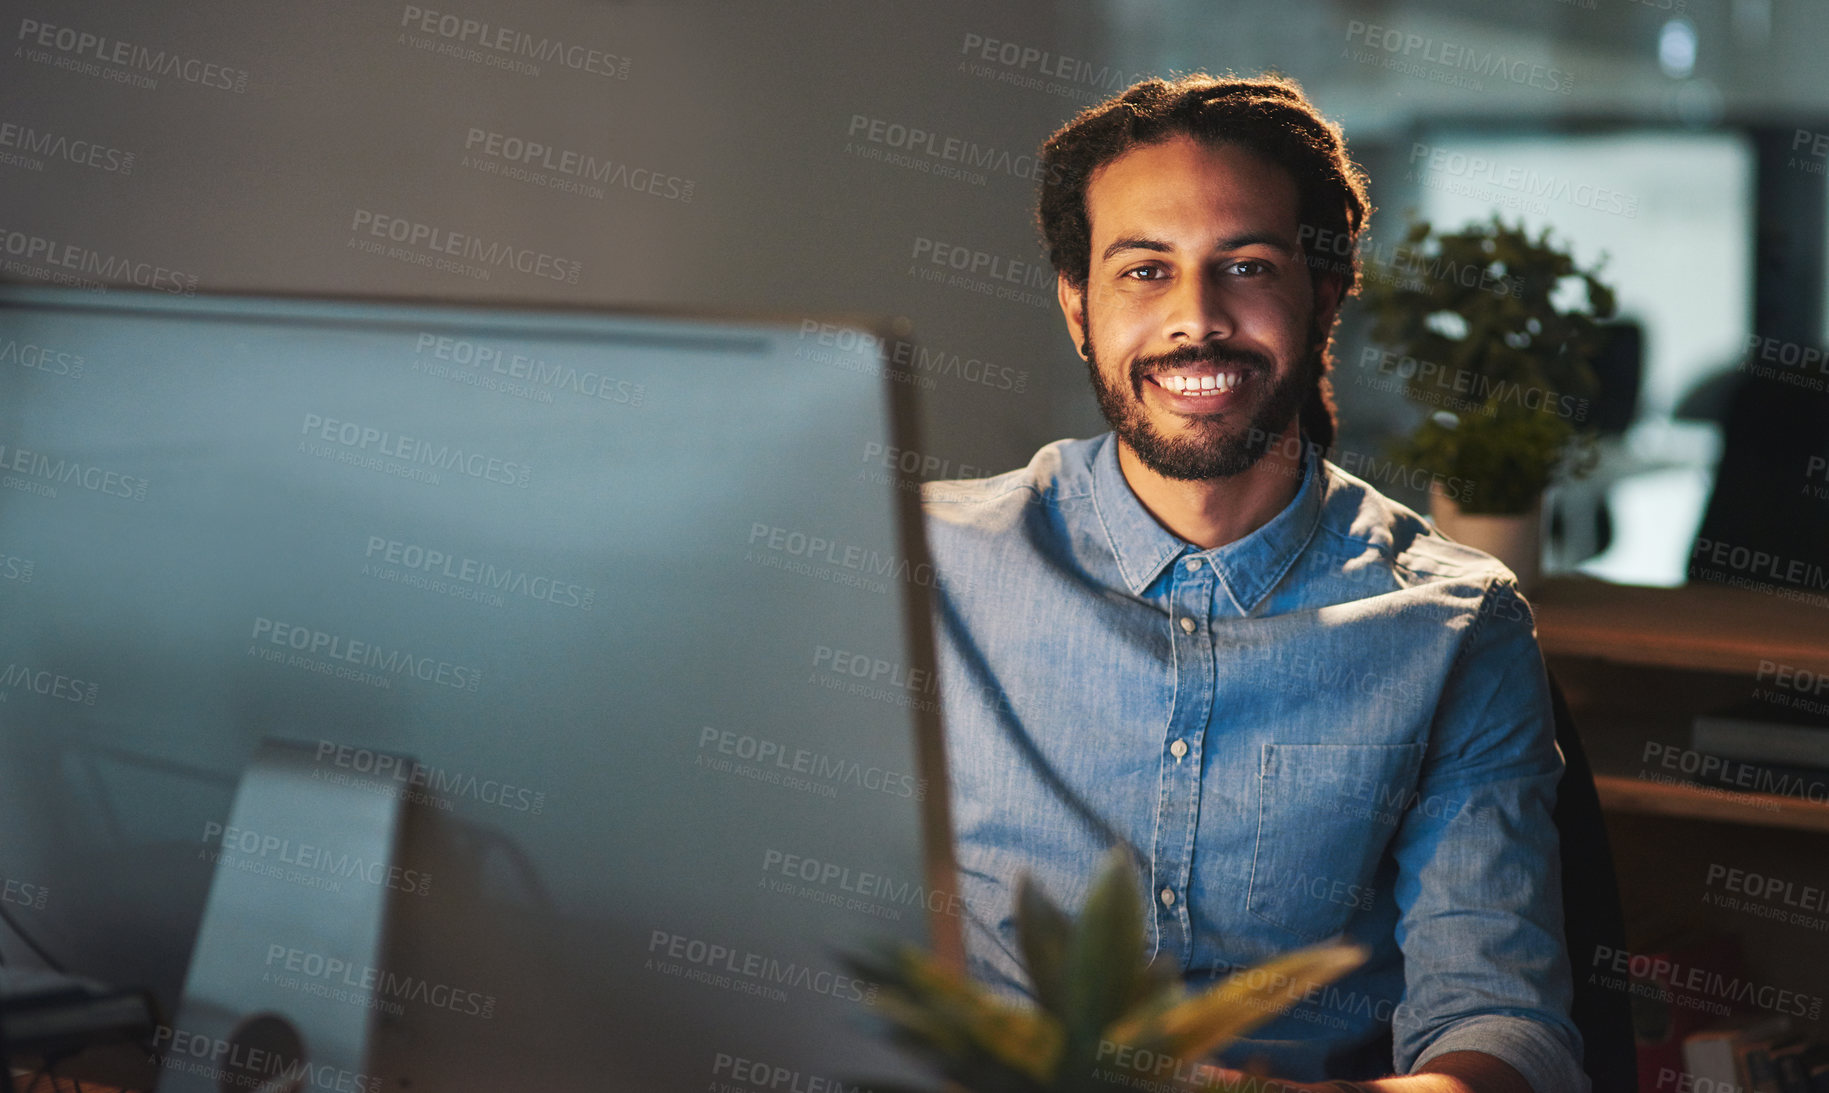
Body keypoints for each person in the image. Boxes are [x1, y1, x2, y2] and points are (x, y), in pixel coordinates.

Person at [921, 73, 1586, 1093]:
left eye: (1244, 265)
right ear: (1075, 306)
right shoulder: (927, 569)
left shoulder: (1454, 620)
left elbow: (1496, 1022)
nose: (1195, 318)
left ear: (1324, 294)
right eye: (1143, 271)